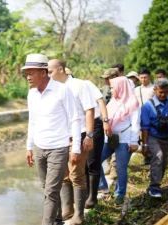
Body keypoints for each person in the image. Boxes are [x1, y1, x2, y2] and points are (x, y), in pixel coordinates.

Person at [24, 54, 81, 225]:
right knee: (47, 189)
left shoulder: (62, 90)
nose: (28, 77)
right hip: (39, 147)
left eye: (31, 73)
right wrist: (29, 147)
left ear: (43, 73)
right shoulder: (31, 94)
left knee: (50, 190)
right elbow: (32, 121)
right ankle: (57, 220)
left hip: (58, 148)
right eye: (26, 74)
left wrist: (76, 148)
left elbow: (75, 119)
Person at [48, 59, 96, 224]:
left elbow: (90, 111)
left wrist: (89, 135)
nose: (48, 75)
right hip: (61, 137)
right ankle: (67, 209)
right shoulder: (53, 89)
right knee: (64, 175)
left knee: (77, 174)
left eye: (50, 71)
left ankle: (79, 215)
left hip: (80, 135)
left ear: (60, 69)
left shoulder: (79, 85)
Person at [99, 77, 140, 206]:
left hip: (125, 140)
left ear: (121, 87)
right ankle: (103, 187)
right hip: (109, 139)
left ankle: (119, 194)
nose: (111, 90)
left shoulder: (132, 103)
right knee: (94, 160)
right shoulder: (113, 102)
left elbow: (135, 124)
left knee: (121, 169)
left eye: (113, 87)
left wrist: (134, 142)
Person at [141, 78, 168, 198]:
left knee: (163, 162)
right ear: (155, 90)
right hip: (153, 137)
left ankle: (156, 184)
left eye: (166, 92)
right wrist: (144, 145)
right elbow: (145, 127)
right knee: (158, 157)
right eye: (160, 92)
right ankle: (154, 187)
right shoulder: (147, 106)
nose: (163, 95)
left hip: (166, 137)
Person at [83, 80, 112, 209]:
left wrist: (105, 120)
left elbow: (100, 101)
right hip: (79, 127)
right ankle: (86, 194)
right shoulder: (60, 88)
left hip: (94, 125)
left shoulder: (85, 84)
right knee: (82, 164)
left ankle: (92, 197)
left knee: (92, 161)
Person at [134, 68, 155, 165]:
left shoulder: (154, 88)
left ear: (149, 77)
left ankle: (153, 154)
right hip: (139, 115)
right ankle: (146, 155)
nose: (143, 80)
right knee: (142, 135)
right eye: (141, 78)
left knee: (152, 135)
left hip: (152, 115)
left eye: (145, 77)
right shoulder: (136, 90)